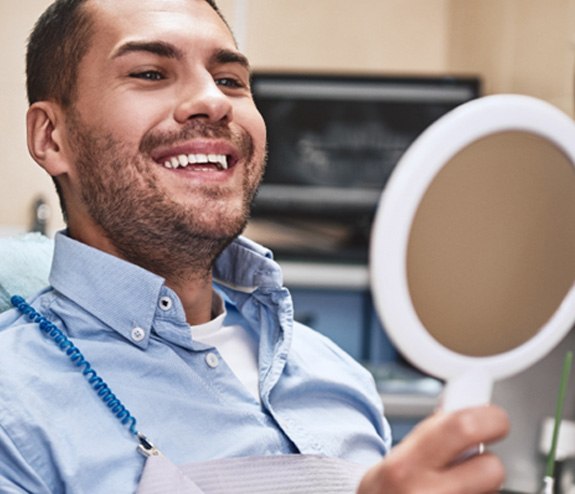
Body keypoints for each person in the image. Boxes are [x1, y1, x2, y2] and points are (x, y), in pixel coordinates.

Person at [0, 0, 509, 492]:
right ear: (51, 137)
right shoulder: (14, 402)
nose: (214, 101)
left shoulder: (337, 374)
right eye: (150, 73)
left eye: (230, 81)